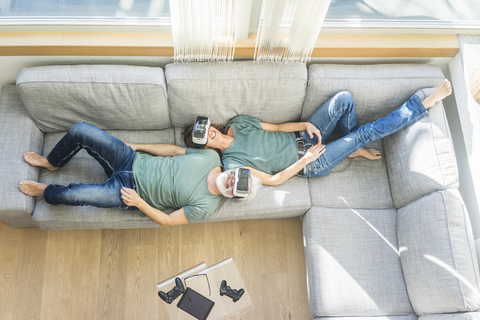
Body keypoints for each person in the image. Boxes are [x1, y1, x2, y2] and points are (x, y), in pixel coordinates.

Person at [184, 80, 452, 186]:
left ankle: (350, 149)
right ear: (205, 147)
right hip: (311, 162)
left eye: (208, 129)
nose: (212, 134)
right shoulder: (232, 164)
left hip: (303, 137)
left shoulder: (238, 122)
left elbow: (276, 128)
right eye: (206, 138)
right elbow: (274, 180)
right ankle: (420, 107)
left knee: (344, 99)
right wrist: (306, 160)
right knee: (363, 134)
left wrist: (305, 125)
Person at [19, 122, 260, 227]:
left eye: (236, 186)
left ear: (232, 195)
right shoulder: (211, 157)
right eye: (238, 175)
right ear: (236, 170)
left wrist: (138, 202)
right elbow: (173, 150)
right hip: (131, 159)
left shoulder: (206, 207)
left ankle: (45, 191)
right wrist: (136, 146)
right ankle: (52, 162)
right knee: (80, 130)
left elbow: (167, 221)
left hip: (130, 192)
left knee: (75, 196)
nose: (232, 180)